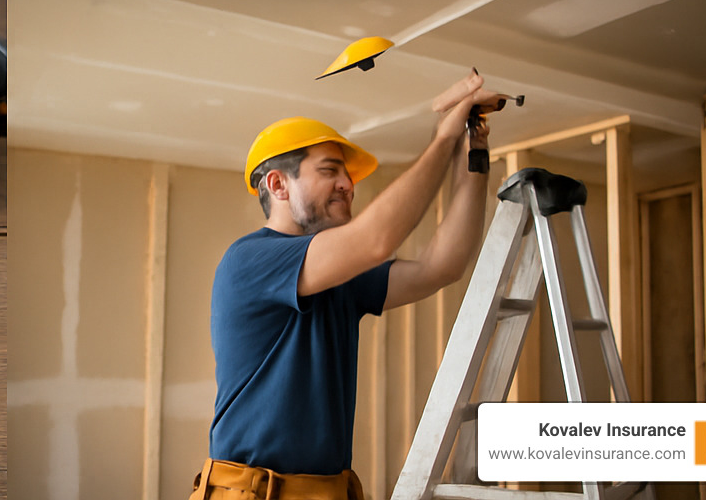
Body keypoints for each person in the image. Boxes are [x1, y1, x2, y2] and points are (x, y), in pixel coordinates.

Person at [190, 70, 502, 500]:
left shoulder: (340, 277)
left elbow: (442, 266)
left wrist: (473, 153)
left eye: (346, 174)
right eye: (329, 170)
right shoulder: (248, 261)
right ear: (278, 184)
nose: (347, 183)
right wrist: (441, 139)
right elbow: (376, 239)